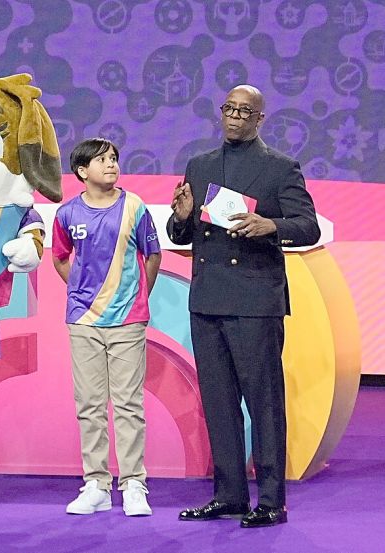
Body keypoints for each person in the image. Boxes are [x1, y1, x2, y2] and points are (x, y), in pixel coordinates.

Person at [171, 85, 320, 528]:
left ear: (259, 119)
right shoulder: (199, 166)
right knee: (218, 403)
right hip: (208, 300)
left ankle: (272, 500)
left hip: (255, 300)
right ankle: (230, 494)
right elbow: (183, 236)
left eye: (245, 111)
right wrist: (180, 218)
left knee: (264, 402)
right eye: (229, 109)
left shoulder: (279, 169)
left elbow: (308, 225)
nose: (235, 117)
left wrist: (270, 224)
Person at [52, 138, 161, 517]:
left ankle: (133, 484)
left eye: (114, 159)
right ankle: (96, 484)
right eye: (102, 160)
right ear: (82, 172)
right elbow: (61, 258)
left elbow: (153, 255)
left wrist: (135, 297)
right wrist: (85, 295)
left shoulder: (135, 208)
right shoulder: (67, 214)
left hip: (128, 322)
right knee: (90, 405)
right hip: (83, 321)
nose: (111, 165)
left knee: (129, 405)